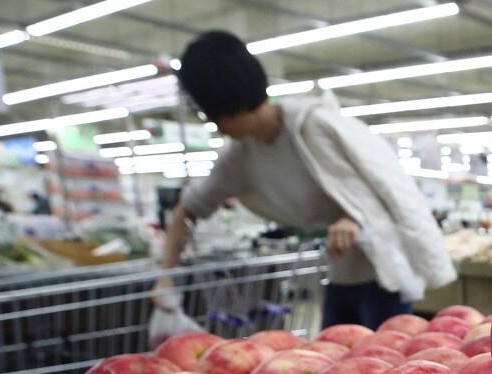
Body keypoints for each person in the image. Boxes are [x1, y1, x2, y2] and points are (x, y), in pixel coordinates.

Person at [155, 31, 455, 329]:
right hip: (339, 274)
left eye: (214, 115)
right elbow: (189, 208)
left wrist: (356, 217)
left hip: (385, 273)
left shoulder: (317, 127)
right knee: (334, 364)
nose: (217, 128)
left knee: (385, 361)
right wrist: (166, 277)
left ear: (229, 101)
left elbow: (388, 187)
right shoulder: (239, 155)